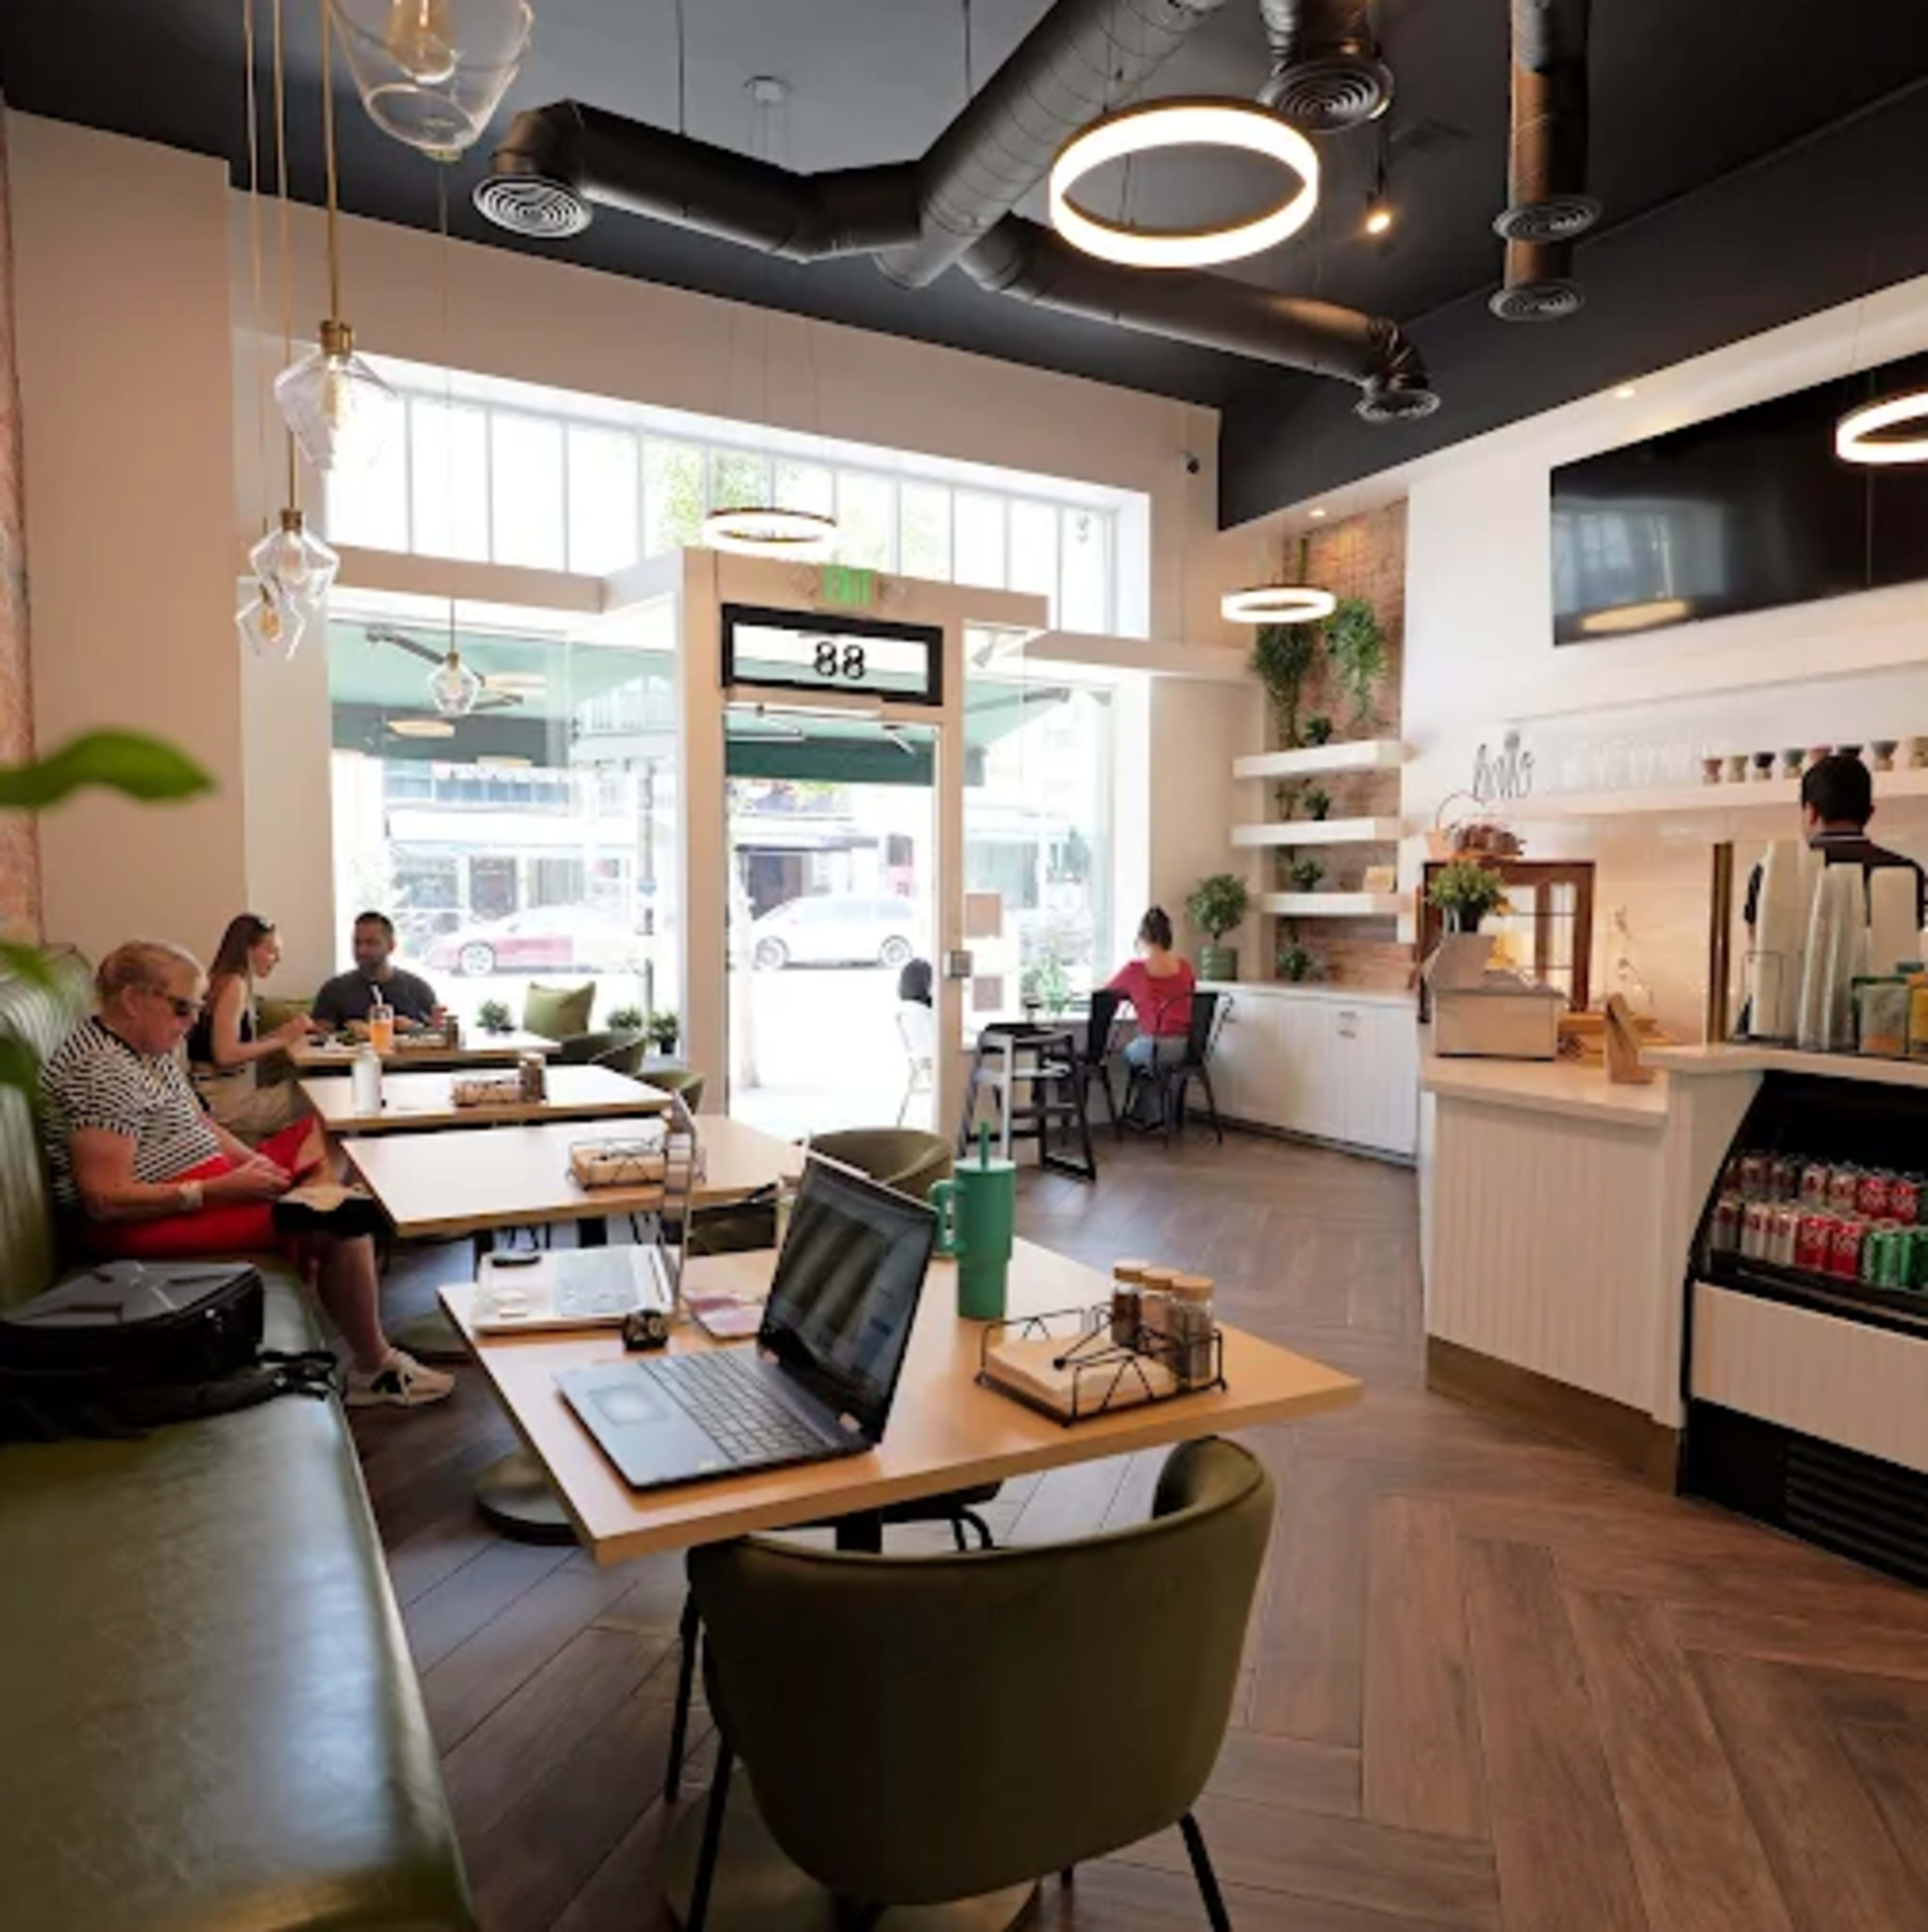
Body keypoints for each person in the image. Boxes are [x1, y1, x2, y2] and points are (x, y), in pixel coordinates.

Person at [41, 940, 452, 1408]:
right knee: (347, 1223)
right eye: (182, 1009)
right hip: (142, 1223)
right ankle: (374, 1368)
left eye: (197, 1009)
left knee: (332, 1124)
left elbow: (201, 1123)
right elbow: (105, 1199)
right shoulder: (101, 1071)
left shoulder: (144, 1047)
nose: (192, 1022)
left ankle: (313, 1194)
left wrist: (248, 1163)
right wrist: (217, 1189)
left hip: (205, 1181)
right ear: (134, 999)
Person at [1744, 753, 1927, 930]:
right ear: (1869, 814)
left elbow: (1760, 950)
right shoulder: (1909, 873)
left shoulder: (1772, 872)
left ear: (1811, 813)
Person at [188, 913, 314, 1140]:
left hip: (217, 1097)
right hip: (229, 1106)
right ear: (248, 949)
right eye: (271, 951)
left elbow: (234, 1042)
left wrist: (284, 1033)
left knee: (313, 1090)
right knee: (318, 1098)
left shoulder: (220, 979)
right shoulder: (234, 986)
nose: (277, 959)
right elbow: (225, 1054)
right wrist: (282, 1041)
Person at [1108, 908, 1197, 1123]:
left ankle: (1141, 1113)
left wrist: (1134, 997)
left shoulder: (1135, 970)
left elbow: (1107, 995)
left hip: (1157, 1046)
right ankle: (1156, 1112)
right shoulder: (1185, 967)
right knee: (1151, 1061)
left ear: (1142, 938)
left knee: (1128, 1054)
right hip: (1188, 1047)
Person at [310, 910, 441, 1034]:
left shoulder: (417, 989)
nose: (362, 951)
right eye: (357, 943)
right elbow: (317, 1039)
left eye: (371, 943)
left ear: (391, 946)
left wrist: (414, 1028)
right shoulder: (334, 990)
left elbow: (437, 1036)